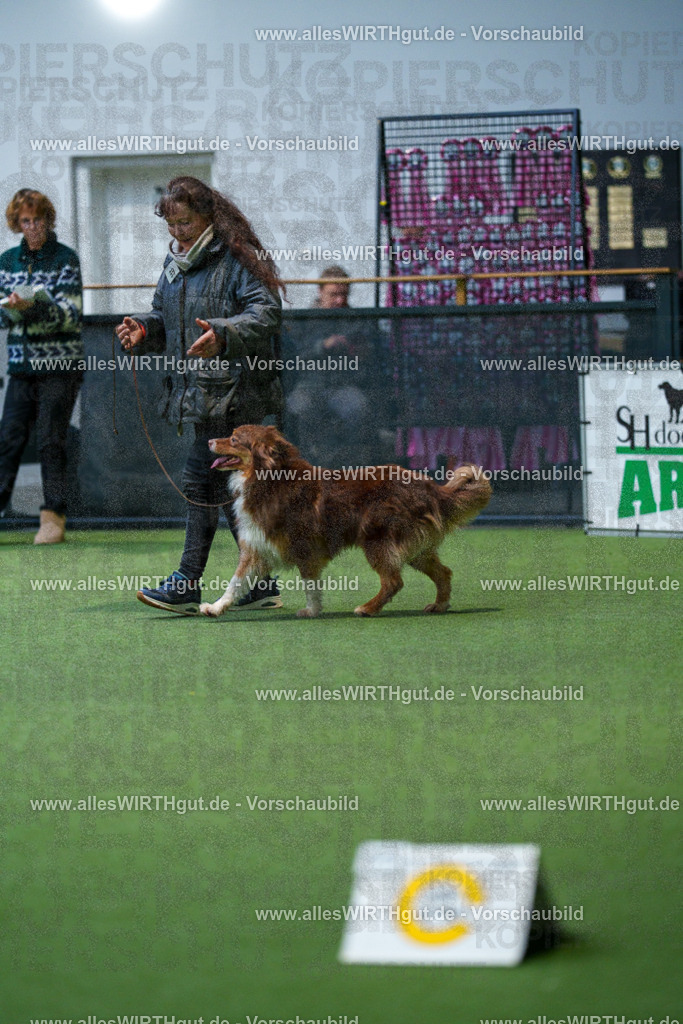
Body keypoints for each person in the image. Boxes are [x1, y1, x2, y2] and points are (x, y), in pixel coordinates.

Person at [115, 176, 285, 615]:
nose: (177, 232)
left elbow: (266, 313)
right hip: (204, 394)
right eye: (171, 225)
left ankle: (187, 583)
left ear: (210, 216)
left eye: (185, 222)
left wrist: (223, 335)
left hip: (239, 394)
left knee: (199, 482)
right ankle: (260, 582)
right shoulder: (176, 265)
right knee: (220, 490)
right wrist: (145, 329)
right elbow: (164, 318)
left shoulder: (238, 257)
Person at [0, 188, 84, 543]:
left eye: (37, 220)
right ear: (17, 224)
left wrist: (30, 310)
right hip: (21, 366)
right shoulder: (6, 261)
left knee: (52, 440)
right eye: (25, 221)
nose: (32, 227)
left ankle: (53, 519)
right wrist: (12, 310)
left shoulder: (66, 258)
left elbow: (71, 314)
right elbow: (4, 318)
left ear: (48, 219)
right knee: (8, 439)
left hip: (61, 366)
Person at [286, 266, 376, 465]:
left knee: (358, 408)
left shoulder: (356, 319)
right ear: (320, 292)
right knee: (297, 410)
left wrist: (361, 352)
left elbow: (372, 354)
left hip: (343, 387)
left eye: (344, 294)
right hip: (308, 386)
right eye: (334, 294)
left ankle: (350, 469)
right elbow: (293, 356)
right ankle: (304, 467)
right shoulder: (302, 318)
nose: (340, 300)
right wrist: (323, 346)